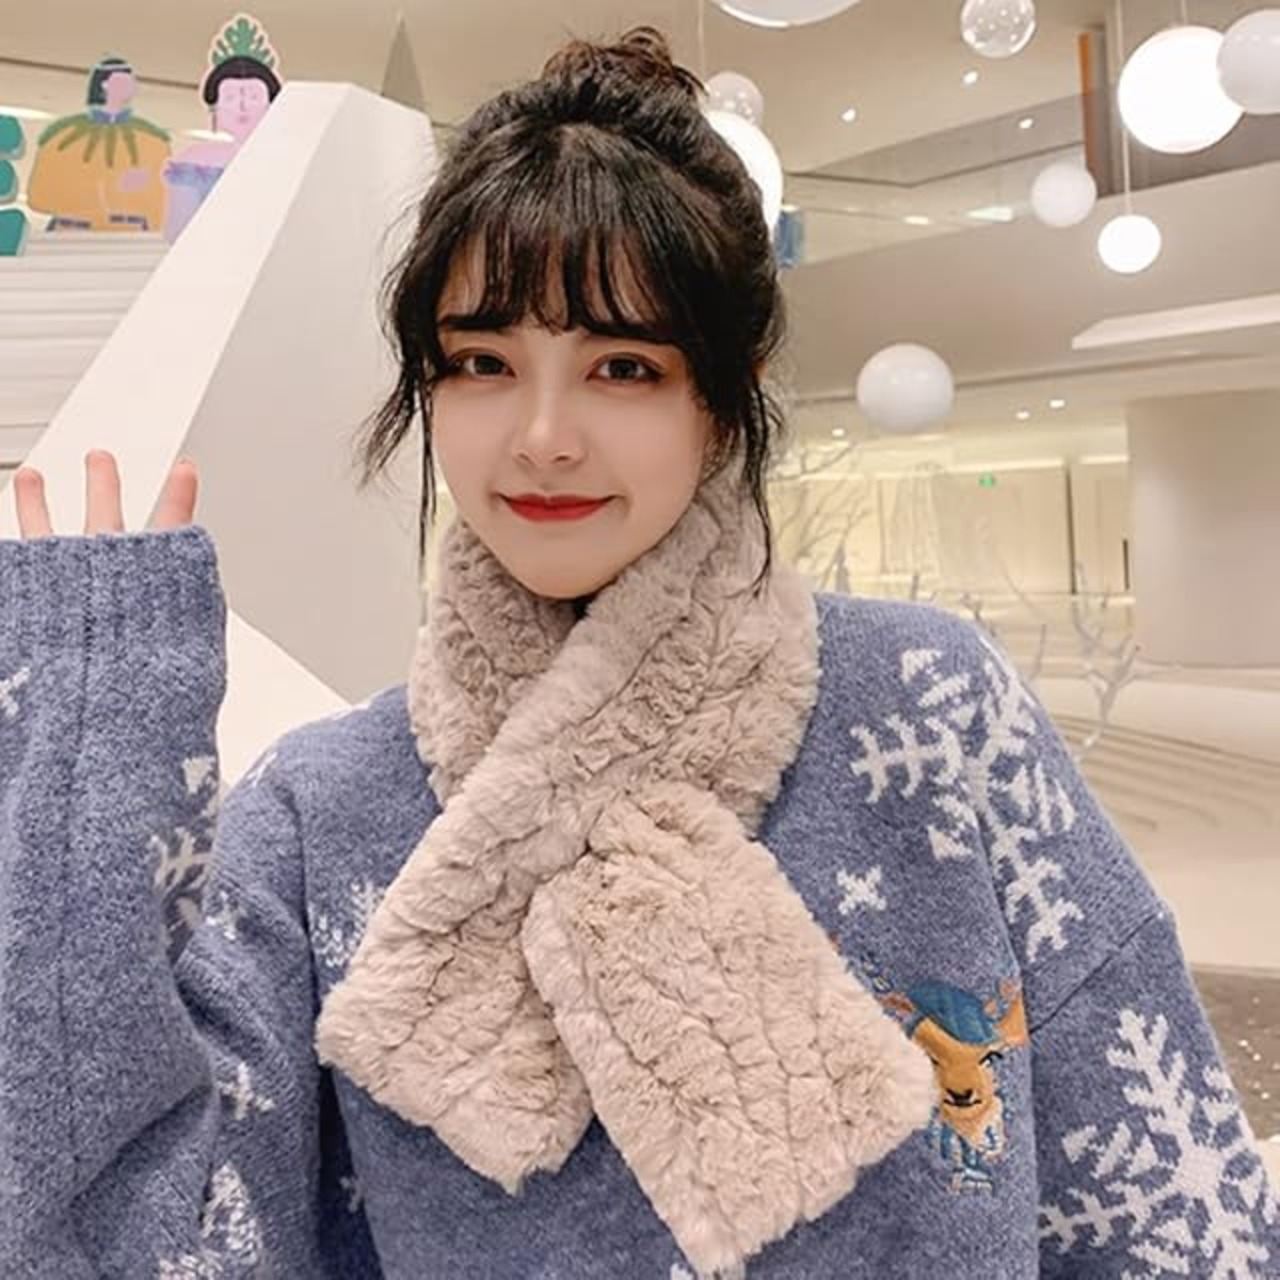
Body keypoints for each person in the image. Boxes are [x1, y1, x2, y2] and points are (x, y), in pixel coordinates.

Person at [1, 27, 1276, 1280]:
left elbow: (1169, 1205)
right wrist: (84, 788)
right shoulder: (320, 809)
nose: (542, 435)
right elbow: (151, 1241)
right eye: (482, 361)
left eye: (620, 365)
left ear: (724, 391)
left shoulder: (930, 707)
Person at [163, 15, 283, 243]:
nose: (242, 106)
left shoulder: (285, 159)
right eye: (230, 97)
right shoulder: (194, 161)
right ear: (214, 107)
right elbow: (178, 232)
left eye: (254, 97)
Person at [27, 55, 171, 233]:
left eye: (131, 81)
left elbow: (164, 202)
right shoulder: (63, 137)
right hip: (70, 235)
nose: (131, 86)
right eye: (123, 81)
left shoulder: (153, 141)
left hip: (131, 238)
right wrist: (113, 187)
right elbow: (39, 195)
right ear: (105, 84)